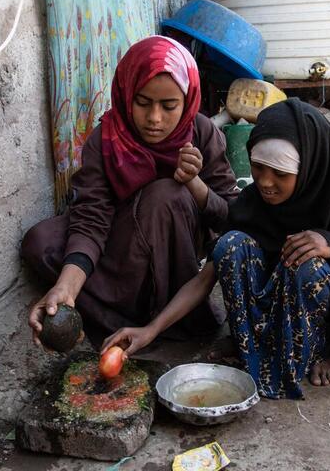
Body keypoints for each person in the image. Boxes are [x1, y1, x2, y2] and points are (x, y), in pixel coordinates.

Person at [101, 99, 330, 399]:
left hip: (320, 326)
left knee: (309, 266)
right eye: (258, 167)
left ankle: (318, 351)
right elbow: (204, 279)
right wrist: (150, 330)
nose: (265, 182)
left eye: (280, 173)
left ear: (308, 168)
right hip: (270, 310)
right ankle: (252, 344)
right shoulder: (255, 205)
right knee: (230, 245)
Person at [22, 36, 238, 346]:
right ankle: (111, 321)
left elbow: (232, 218)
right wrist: (66, 287)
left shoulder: (202, 133)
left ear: (188, 99)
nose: (154, 118)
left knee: (166, 195)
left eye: (169, 105)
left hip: (173, 250)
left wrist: (195, 183)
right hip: (121, 241)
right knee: (41, 243)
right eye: (143, 102)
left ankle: (165, 320)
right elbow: (92, 217)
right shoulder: (107, 138)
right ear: (126, 94)